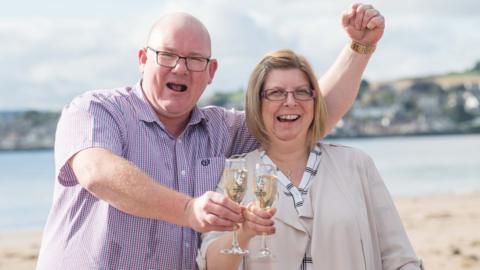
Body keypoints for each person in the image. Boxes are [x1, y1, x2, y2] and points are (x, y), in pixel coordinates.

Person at [36, 3, 385, 270]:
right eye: (167, 55)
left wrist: (359, 47)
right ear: (143, 59)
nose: (180, 67)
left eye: (194, 59)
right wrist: (188, 210)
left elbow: (304, 117)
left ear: (211, 72)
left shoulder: (222, 130)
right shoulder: (96, 109)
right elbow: (98, 174)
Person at [197, 49, 423, 270]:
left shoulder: (356, 164)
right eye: (276, 93)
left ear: (314, 101)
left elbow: (400, 258)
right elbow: (213, 265)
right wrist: (244, 232)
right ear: (257, 103)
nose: (290, 101)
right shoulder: (238, 174)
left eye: (302, 92)